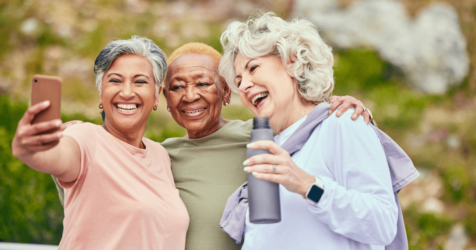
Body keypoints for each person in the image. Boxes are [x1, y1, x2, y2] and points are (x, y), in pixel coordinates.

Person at [53, 42, 372, 249]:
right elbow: (100, 184)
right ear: (165, 101)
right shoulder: (160, 155)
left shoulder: (262, 135)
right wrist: (80, 136)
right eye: (177, 87)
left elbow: (314, 130)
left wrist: (338, 108)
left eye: (203, 84)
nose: (190, 96)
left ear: (226, 92)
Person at [217, 12, 417, 249]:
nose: (244, 85)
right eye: (238, 81)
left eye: (253, 68)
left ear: (291, 60)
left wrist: (307, 185)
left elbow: (382, 223)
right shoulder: (266, 148)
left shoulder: (343, 123)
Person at [12, 36, 189, 250]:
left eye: (140, 81)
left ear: (156, 96)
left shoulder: (159, 154)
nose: (126, 92)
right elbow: (59, 156)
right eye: (115, 81)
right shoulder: (86, 137)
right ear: (100, 93)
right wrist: (30, 150)